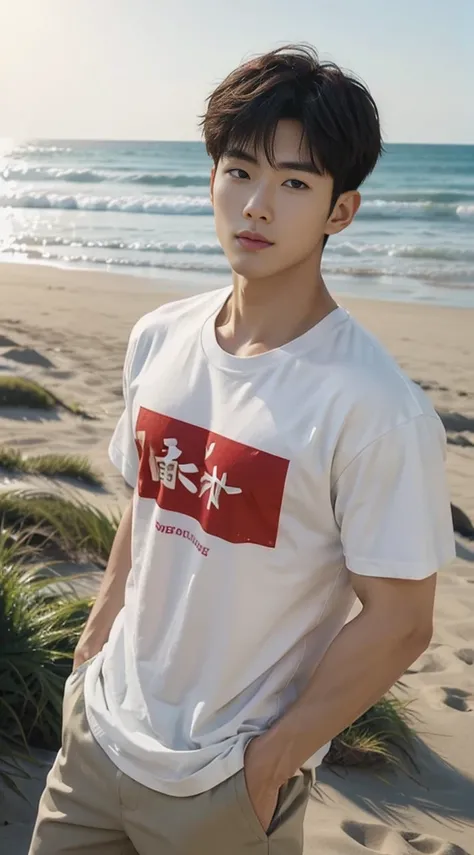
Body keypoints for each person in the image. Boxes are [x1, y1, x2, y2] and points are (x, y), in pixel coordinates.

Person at [29, 44, 455, 855]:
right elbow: (146, 504)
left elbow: (402, 621)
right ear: (212, 178)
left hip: (222, 785)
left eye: (295, 182)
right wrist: (93, 644)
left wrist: (266, 767)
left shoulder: (371, 405)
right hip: (98, 738)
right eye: (239, 170)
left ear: (342, 211)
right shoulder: (160, 336)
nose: (257, 205)